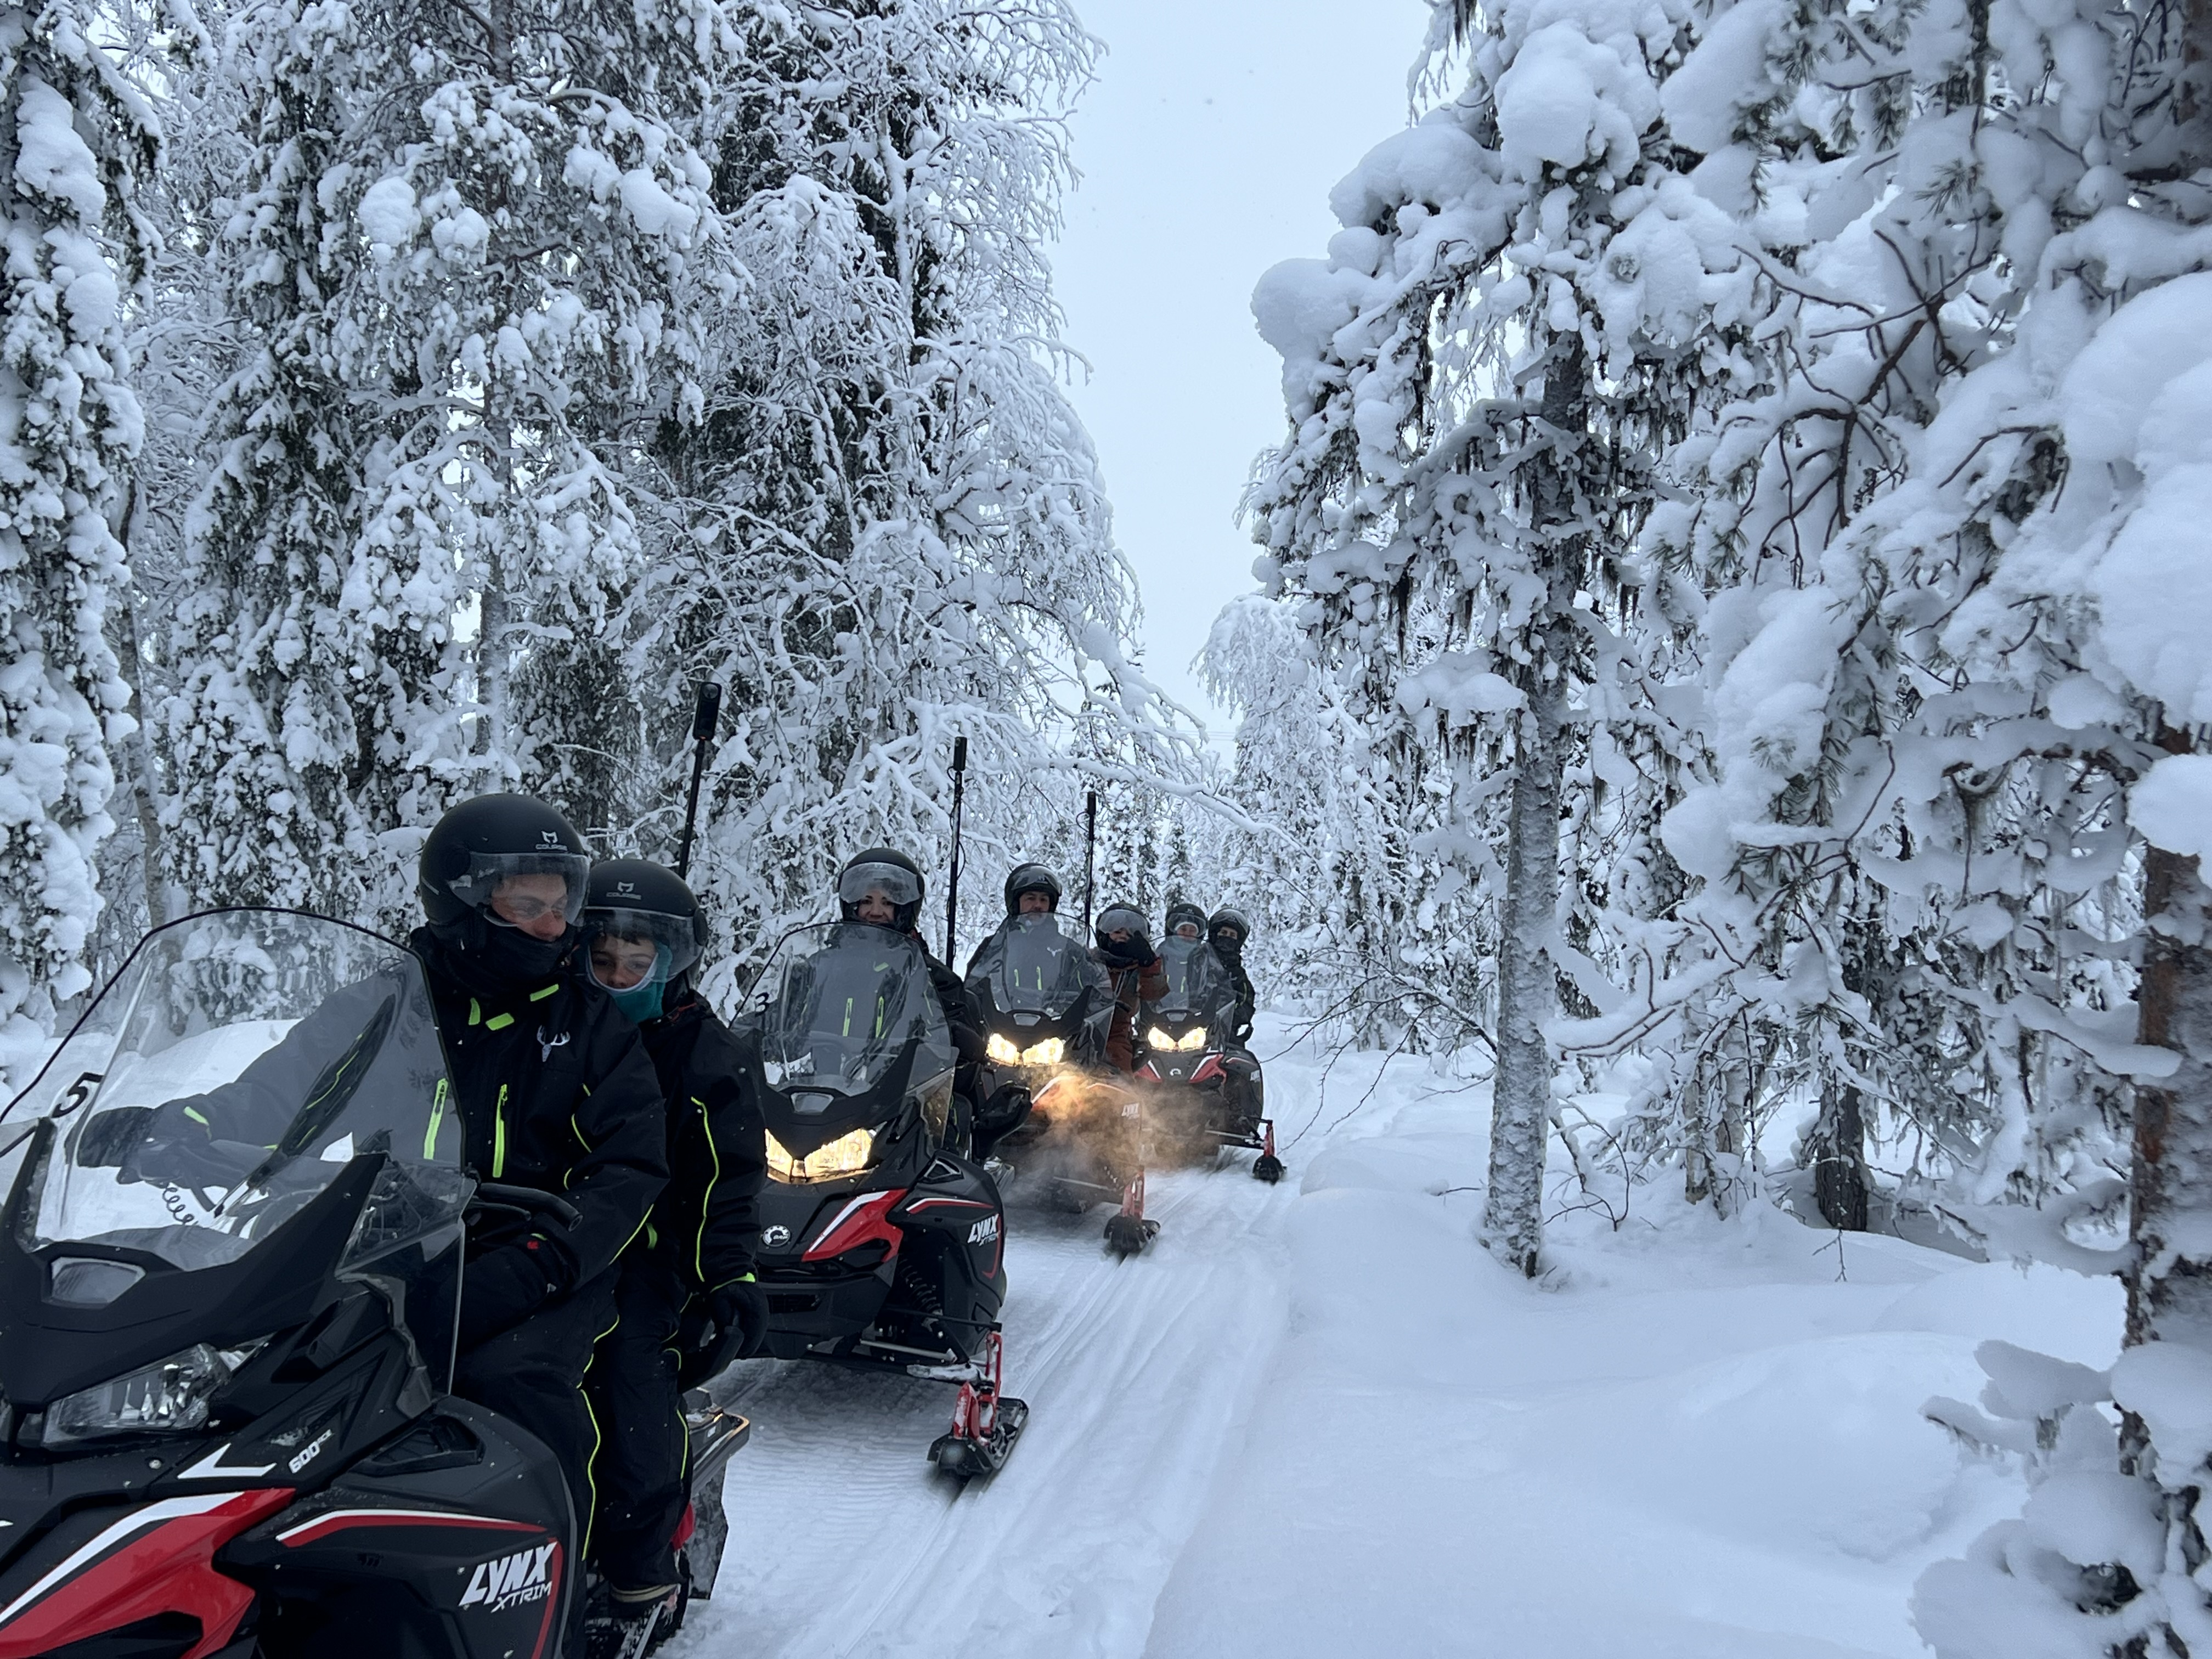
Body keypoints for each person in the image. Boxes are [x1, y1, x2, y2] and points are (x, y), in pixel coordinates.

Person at [409, 797, 670, 1575]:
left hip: (548, 1260)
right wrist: (185, 1126)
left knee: (508, 1381)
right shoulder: (398, 998)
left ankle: (555, 1587)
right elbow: (294, 1082)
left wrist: (542, 1259)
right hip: (402, 1243)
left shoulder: (590, 1024)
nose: (555, 928)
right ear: (461, 899)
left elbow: (630, 1166)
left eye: (562, 907)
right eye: (528, 905)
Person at [580, 859, 768, 1621]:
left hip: (653, 1255)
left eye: (637, 961)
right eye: (603, 960)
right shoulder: (557, 1022)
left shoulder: (702, 1051)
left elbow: (729, 1175)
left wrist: (729, 1274)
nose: (619, 974)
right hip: (540, 1238)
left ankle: (640, 1560)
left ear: (672, 963)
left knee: (627, 1369)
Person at [1092, 901, 1166, 1073]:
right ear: (1104, 934)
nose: (1123, 936)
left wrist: (1149, 964)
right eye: (1117, 932)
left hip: (1117, 1034)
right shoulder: (1088, 961)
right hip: (1080, 1031)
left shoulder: (1138, 969)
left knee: (1121, 1079)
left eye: (1129, 934)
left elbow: (1156, 994)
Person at [1207, 906, 1259, 1040]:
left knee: (1238, 1058)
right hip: (1190, 1024)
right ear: (1215, 934)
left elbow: (1247, 999)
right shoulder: (1197, 960)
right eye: (1223, 933)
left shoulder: (1238, 972)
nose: (1227, 938)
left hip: (1223, 1031)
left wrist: (1233, 1017)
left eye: (1232, 935)